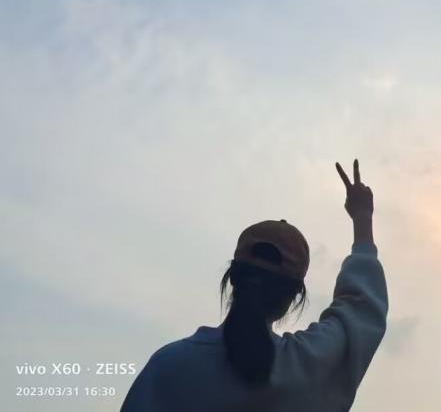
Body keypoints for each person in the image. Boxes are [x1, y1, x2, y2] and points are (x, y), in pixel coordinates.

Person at [121, 158, 388, 412]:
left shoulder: (168, 367)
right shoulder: (305, 367)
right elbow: (360, 310)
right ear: (295, 295)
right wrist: (362, 218)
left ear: (232, 277)